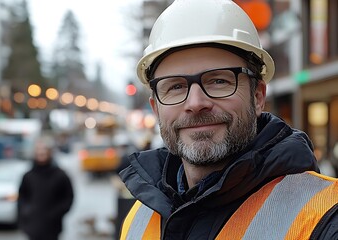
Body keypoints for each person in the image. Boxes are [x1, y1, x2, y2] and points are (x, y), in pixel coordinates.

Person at [118, 0, 338, 239]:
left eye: (219, 81)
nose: (195, 103)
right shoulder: (140, 217)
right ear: (156, 108)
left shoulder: (324, 217)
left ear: (257, 97)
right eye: (176, 86)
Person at [18, 135, 74, 240]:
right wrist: (26, 212)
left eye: (44, 150)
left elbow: (68, 198)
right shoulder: (28, 176)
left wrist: (57, 213)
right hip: (32, 226)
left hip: (52, 227)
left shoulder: (60, 175)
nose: (41, 153)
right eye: (38, 150)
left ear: (49, 152)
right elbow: (22, 198)